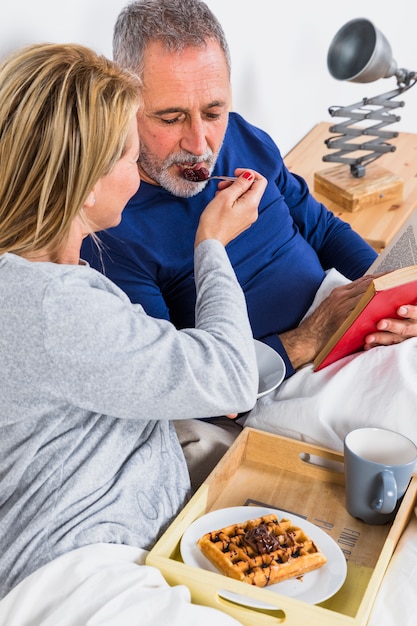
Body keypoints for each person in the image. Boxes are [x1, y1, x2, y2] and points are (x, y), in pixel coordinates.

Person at [81, 0, 417, 471]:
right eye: (170, 118)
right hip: (284, 381)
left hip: (353, 322)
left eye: (213, 110)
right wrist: (311, 337)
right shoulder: (110, 223)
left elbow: (320, 227)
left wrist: (392, 297)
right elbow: (182, 383)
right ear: (125, 102)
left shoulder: (241, 137)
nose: (200, 143)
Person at [0, 40, 267, 614]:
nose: (140, 171)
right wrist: (212, 245)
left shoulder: (39, 280)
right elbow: (230, 377)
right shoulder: (50, 308)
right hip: (80, 572)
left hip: (123, 537)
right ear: (88, 183)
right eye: (128, 157)